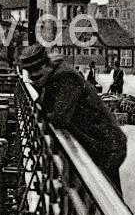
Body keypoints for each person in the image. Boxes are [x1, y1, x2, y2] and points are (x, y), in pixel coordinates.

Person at [19, 44, 127, 195]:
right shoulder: (55, 75)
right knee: (99, 193)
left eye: (37, 77)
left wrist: (44, 102)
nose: (36, 82)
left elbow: (59, 117)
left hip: (105, 144)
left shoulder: (65, 77)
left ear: (45, 67)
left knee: (107, 195)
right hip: (97, 141)